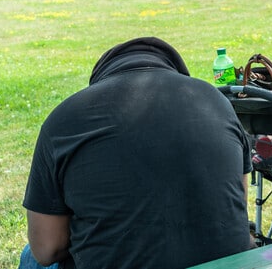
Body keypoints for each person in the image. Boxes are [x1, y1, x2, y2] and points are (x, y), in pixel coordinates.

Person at [19, 37, 254, 269]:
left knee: (30, 257)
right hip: (229, 263)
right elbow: (238, 206)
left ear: (102, 78)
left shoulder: (63, 119)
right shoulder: (218, 102)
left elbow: (46, 249)